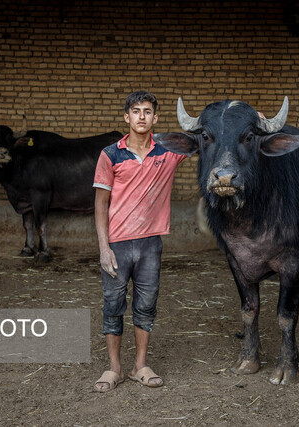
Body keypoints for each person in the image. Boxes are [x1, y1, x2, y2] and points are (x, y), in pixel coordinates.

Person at [92, 91, 187, 392]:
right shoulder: (110, 154)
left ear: (156, 118)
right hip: (117, 245)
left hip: (150, 245)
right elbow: (100, 204)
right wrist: (103, 248)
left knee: (145, 306)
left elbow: (202, 137)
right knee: (113, 305)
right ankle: (114, 368)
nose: (142, 116)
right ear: (126, 117)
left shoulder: (168, 152)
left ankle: (139, 366)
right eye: (136, 111)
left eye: (148, 111)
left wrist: (255, 117)